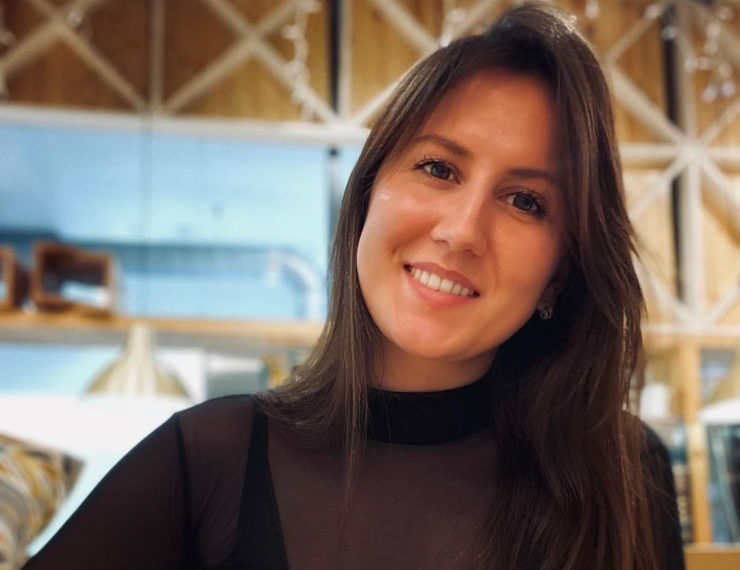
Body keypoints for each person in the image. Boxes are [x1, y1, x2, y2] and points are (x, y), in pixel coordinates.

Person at [24, 3, 684, 569]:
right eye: (438, 168)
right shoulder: (208, 459)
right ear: (368, 193)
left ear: (559, 273)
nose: (462, 231)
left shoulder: (625, 478)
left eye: (525, 201)